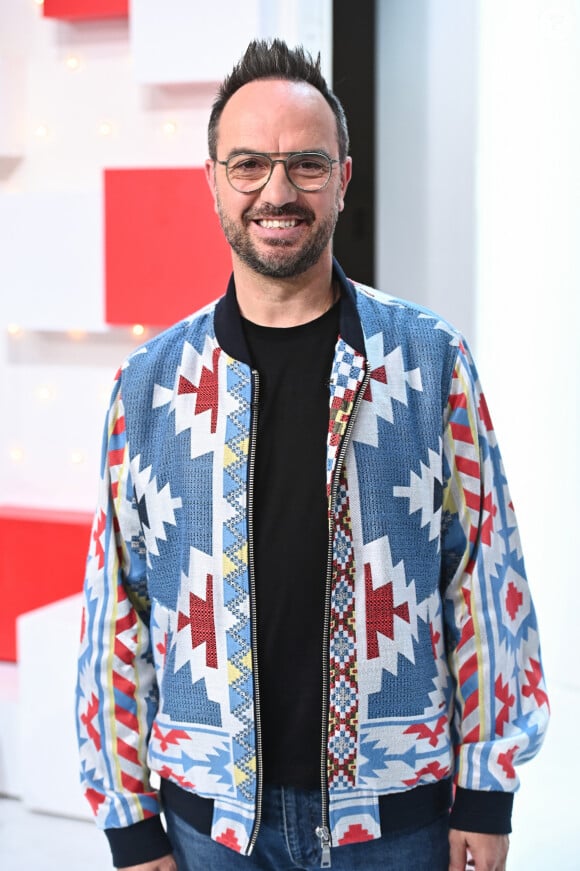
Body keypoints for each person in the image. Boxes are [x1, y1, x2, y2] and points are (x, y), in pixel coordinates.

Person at [76, 39, 549, 871]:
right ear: (214, 180)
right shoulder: (149, 383)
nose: (278, 191)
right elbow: (118, 611)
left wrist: (487, 789)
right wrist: (129, 821)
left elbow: (483, 575)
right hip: (207, 826)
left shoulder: (430, 359)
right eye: (250, 164)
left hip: (398, 822)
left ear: (343, 177)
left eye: (306, 163)